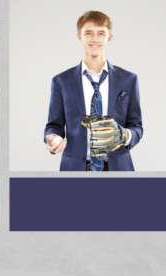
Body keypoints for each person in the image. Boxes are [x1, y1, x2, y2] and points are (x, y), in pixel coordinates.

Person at [44, 11, 143, 171]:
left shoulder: (129, 79)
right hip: (75, 169)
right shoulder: (61, 81)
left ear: (109, 38)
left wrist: (124, 134)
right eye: (88, 33)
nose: (95, 39)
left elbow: (136, 126)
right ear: (79, 37)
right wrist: (52, 137)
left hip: (118, 168)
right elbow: (54, 125)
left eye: (101, 33)